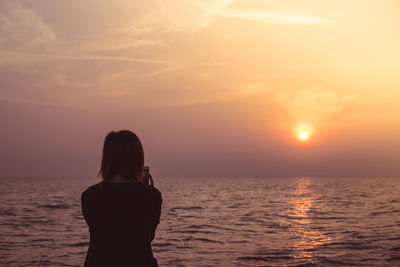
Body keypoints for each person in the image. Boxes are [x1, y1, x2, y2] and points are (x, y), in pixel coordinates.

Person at [81, 130, 162, 267]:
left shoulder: (89, 195)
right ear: (137, 159)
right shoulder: (152, 196)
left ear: (107, 159)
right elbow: (148, 237)